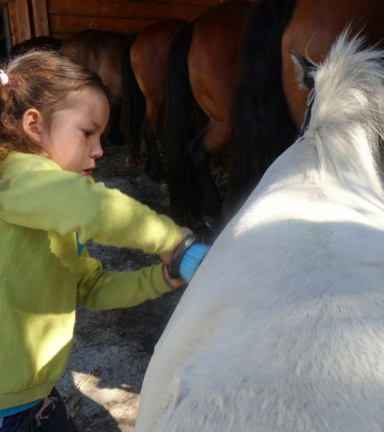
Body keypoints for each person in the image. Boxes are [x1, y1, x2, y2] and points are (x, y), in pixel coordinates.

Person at [0, 49, 191, 431]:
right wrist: (169, 239)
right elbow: (97, 209)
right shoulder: (17, 177)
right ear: (34, 126)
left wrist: (160, 279)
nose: (101, 150)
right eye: (88, 133)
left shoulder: (50, 206)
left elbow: (92, 286)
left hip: (29, 392)